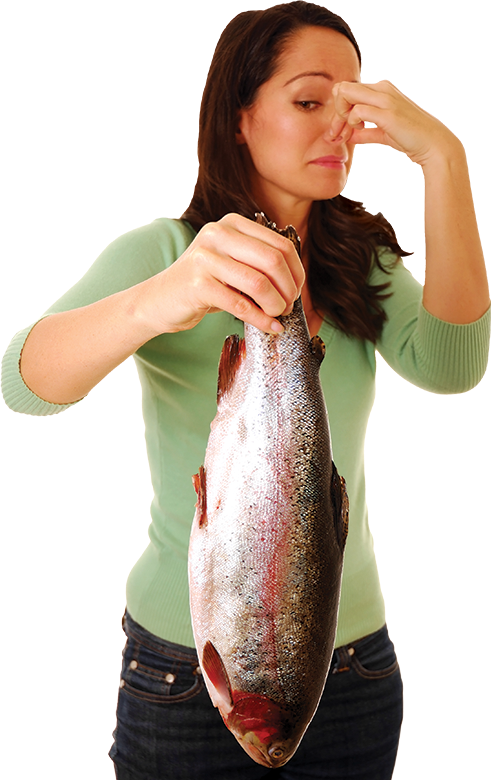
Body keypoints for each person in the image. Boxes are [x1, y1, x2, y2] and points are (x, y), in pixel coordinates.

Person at [2, 2, 489, 778]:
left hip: (355, 668)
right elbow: (21, 385)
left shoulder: (360, 261)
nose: (339, 126)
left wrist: (445, 159)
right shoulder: (165, 253)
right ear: (238, 116)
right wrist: (160, 297)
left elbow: (452, 365)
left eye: (353, 102)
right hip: (187, 671)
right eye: (307, 100)